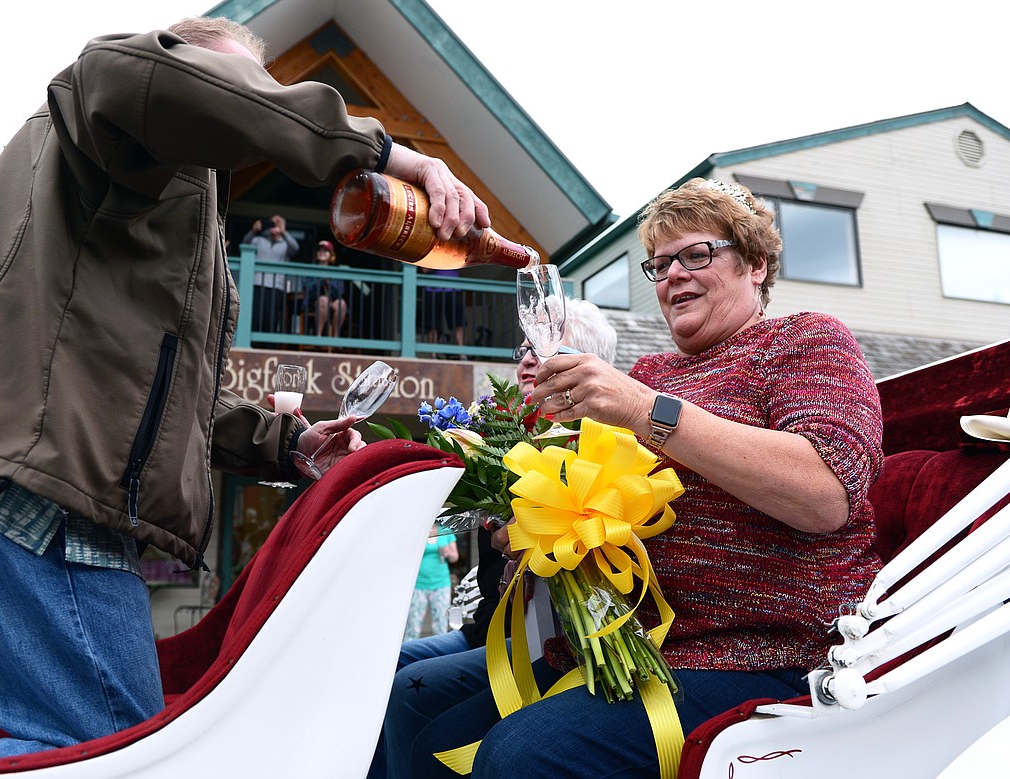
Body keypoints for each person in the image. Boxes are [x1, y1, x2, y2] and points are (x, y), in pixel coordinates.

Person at [0, 16, 490, 764]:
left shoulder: (167, 201)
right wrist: (383, 151)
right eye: (235, 87)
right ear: (179, 61)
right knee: (111, 755)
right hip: (22, 479)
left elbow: (164, 392)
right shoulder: (119, 91)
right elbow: (145, 76)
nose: (244, 108)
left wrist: (285, 442)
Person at [374, 178, 884, 778]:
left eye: (696, 255)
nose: (673, 274)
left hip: (755, 652)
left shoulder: (805, 340)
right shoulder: (652, 369)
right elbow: (598, 502)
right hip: (622, 645)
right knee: (421, 722)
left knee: (519, 755)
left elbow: (825, 496)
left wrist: (647, 409)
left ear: (756, 264)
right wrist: (540, 536)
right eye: (661, 263)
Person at [396, 298, 618, 666]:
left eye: (544, 348)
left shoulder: (598, 446)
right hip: (484, 629)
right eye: (524, 349)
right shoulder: (495, 436)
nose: (527, 360)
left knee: (408, 689)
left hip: (543, 643)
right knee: (387, 664)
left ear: (587, 364)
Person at [243, 214, 300, 333]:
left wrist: (284, 232)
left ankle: (268, 346)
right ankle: (252, 346)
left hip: (276, 287)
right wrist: (253, 231)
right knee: (255, 317)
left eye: (278, 223)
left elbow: (295, 248)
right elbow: (245, 243)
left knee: (271, 319)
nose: (274, 226)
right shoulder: (258, 240)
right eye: (272, 223)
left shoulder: (286, 244)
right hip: (257, 283)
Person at [404, 522, 459, 642]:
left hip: (441, 583)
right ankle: (405, 655)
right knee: (413, 626)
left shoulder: (445, 531)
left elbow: (455, 557)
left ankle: (440, 655)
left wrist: (448, 552)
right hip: (419, 584)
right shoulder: (418, 530)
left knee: (441, 625)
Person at [306, 239, 348, 341]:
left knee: (341, 304)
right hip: (314, 301)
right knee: (323, 300)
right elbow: (308, 289)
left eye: (325, 251)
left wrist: (330, 284)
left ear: (331, 255)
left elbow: (340, 291)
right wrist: (321, 281)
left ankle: (336, 338)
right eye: (320, 250)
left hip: (333, 299)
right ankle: (318, 337)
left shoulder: (336, 271)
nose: (322, 253)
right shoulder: (311, 269)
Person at [420, 268, 465, 355]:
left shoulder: (454, 254)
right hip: (433, 289)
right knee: (432, 325)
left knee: (458, 323)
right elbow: (424, 269)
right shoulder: (431, 254)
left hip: (453, 289)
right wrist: (441, 262)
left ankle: (462, 353)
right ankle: (432, 354)